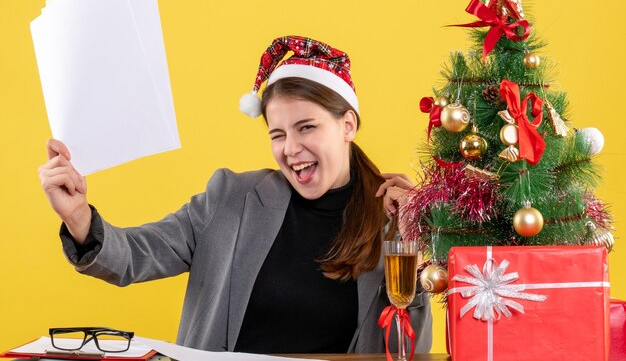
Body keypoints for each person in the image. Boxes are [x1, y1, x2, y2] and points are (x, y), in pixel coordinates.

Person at [38, 36, 432, 354]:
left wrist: (414, 244)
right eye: (277, 134)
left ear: (347, 125)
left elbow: (409, 349)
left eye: (306, 128)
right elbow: (136, 257)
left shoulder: (391, 220)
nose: (290, 149)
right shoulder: (230, 198)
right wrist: (78, 218)